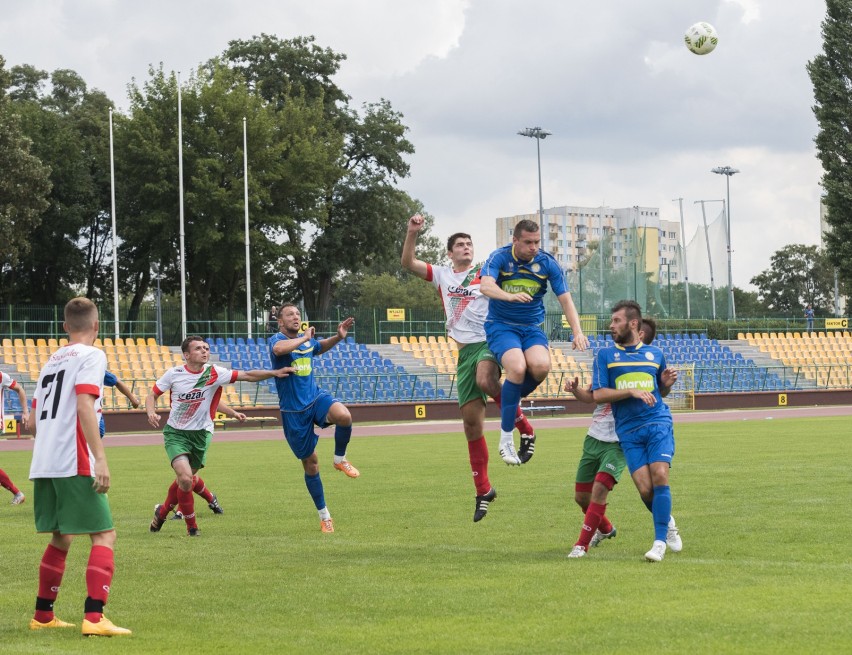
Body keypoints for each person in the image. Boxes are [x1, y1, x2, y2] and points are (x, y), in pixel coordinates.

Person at [401, 213, 536, 521]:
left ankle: (525, 429)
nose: (466, 247)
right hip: (464, 353)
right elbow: (408, 263)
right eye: (460, 244)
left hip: (490, 340)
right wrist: (412, 233)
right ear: (450, 252)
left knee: (487, 379)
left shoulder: (484, 271)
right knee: (471, 427)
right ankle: (483, 489)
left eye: (469, 243)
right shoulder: (442, 275)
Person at [27, 297, 131, 636]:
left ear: (64, 327)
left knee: (62, 535)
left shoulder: (50, 361)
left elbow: (36, 419)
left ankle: (43, 615)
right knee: (104, 534)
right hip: (74, 458)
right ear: (97, 326)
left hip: (45, 460)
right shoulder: (92, 355)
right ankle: (95, 618)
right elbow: (86, 406)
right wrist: (99, 457)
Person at [146, 336, 292, 536]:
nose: (204, 351)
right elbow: (151, 395)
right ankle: (192, 529)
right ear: (186, 355)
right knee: (186, 478)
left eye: (206, 348)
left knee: (186, 480)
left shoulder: (214, 373)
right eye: (198, 348)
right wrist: (151, 411)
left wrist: (275, 373)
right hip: (176, 434)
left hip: (201, 435)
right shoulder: (174, 374)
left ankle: (161, 513)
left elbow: (248, 375)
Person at [565, 318, 681, 558]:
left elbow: (656, 394)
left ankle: (581, 546)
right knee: (582, 497)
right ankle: (609, 529)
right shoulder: (611, 365)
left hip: (621, 439)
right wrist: (576, 390)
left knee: (601, 490)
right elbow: (593, 395)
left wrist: (661, 387)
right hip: (596, 436)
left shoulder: (646, 363)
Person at [480, 219, 589, 465]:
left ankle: (511, 400)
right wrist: (508, 296)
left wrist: (577, 331)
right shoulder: (498, 258)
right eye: (528, 242)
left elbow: (566, 300)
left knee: (541, 366)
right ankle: (506, 438)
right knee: (517, 368)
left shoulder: (547, 263)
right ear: (515, 240)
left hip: (531, 328)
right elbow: (486, 286)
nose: (534, 247)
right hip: (501, 326)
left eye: (537, 242)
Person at [270, 304, 359, 533]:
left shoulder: (306, 340)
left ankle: (340, 459)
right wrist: (304, 338)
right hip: (293, 412)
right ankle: (324, 516)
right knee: (311, 464)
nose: (295, 316)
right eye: (290, 314)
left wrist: (338, 337)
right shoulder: (276, 340)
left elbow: (318, 347)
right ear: (280, 321)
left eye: (298, 314)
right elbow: (280, 350)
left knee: (344, 416)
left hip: (315, 398)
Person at [1, 370, 30, 505]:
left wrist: (25, 411)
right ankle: (17, 493)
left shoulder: (1, 376)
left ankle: (17, 493)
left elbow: (19, 389)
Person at [98, 370, 141, 438]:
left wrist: (133, 400)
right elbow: (118, 382)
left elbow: (117, 382)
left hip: (93, 414)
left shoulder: (97, 370)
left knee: (98, 434)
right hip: (85, 414)